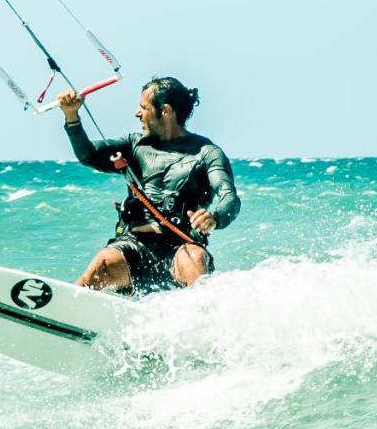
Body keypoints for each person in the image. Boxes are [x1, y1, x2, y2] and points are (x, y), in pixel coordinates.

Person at [58, 77, 240, 294]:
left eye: (143, 107)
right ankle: (58, 310)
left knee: (195, 260)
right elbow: (88, 155)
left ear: (165, 111)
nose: (137, 113)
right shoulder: (135, 145)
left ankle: (205, 320)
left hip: (181, 250)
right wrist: (72, 118)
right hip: (134, 247)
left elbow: (230, 197)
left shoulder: (207, 153)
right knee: (102, 263)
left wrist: (215, 217)